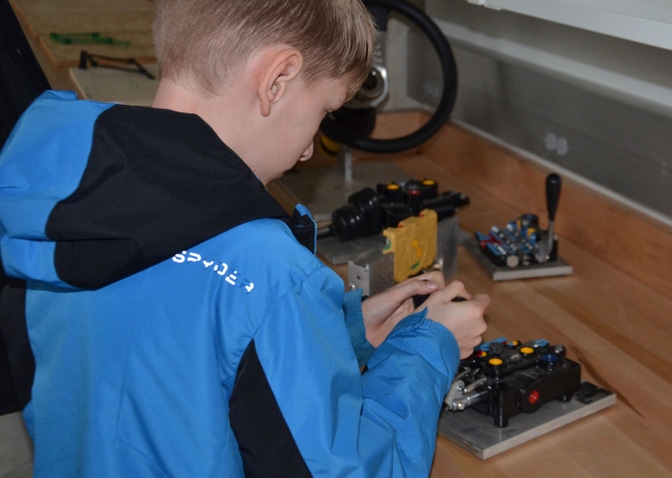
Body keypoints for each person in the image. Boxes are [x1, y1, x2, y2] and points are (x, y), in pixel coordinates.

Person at [0, 0, 489, 476]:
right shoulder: (268, 271)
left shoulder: (59, 211)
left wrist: (338, 333)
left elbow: (171, 351)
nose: (305, 153)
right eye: (323, 112)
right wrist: (429, 349)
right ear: (276, 81)